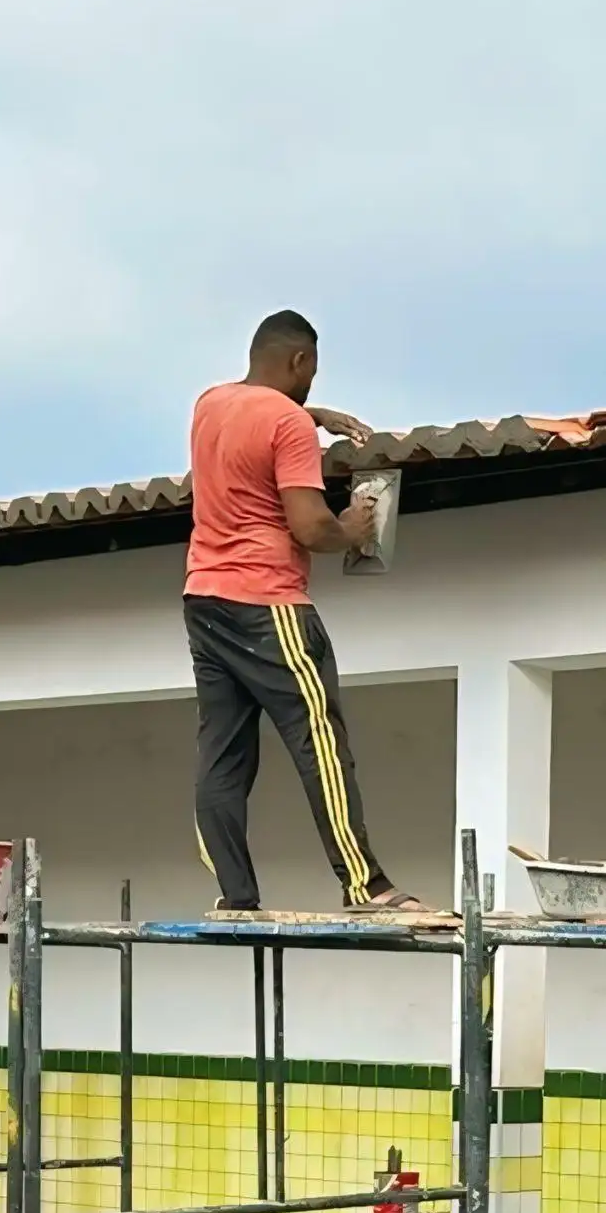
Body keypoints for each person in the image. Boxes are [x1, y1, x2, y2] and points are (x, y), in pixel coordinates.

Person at [183, 309, 417, 911]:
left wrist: (314, 415)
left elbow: (253, 416)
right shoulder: (287, 423)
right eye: (311, 374)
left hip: (204, 600)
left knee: (223, 754)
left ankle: (235, 896)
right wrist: (351, 527)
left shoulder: (209, 404)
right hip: (270, 604)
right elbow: (310, 526)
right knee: (321, 742)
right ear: (300, 361)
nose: (311, 385)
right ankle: (367, 886)